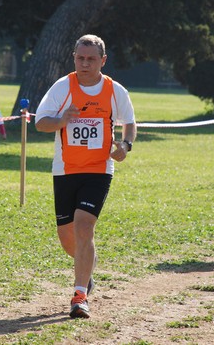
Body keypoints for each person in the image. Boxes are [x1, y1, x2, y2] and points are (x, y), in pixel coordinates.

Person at [35, 34, 137, 319]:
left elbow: (130, 123)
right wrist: (62, 120)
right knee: (68, 238)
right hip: (66, 170)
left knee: (84, 226)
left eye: (91, 59)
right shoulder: (62, 87)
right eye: (80, 58)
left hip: (98, 169)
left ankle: (79, 296)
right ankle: (86, 267)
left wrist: (125, 146)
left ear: (102, 60)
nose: (85, 63)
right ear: (74, 57)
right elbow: (40, 122)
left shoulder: (115, 91)